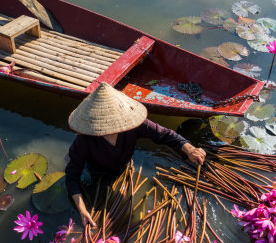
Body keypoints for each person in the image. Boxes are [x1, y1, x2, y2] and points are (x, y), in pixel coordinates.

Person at [65, 82, 206, 227]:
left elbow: (164, 134)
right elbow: (71, 176)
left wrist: (188, 148)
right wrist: (82, 209)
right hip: (96, 172)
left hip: (123, 167)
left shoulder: (132, 124)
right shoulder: (84, 140)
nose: (112, 128)